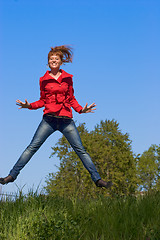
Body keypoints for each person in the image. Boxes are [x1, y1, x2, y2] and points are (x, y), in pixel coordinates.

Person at [0, 45, 112, 189]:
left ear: (60, 62)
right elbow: (42, 100)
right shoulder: (43, 80)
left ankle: (98, 180)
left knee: (80, 150)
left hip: (66, 120)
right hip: (49, 120)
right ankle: (11, 176)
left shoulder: (68, 78)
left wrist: (81, 110)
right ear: (48, 62)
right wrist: (30, 106)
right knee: (32, 147)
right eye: (51, 59)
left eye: (56, 59)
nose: (53, 61)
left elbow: (71, 98)